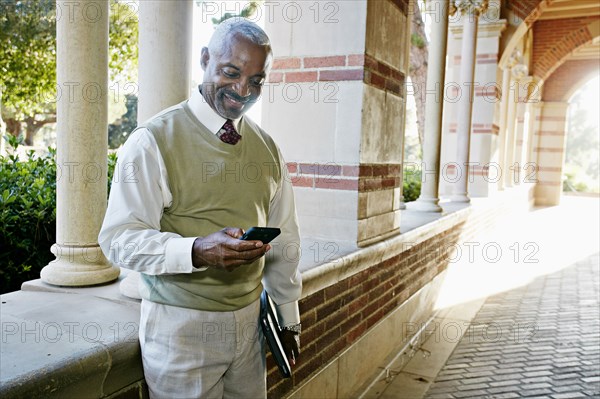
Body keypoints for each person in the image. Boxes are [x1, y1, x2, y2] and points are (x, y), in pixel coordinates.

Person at [99, 18, 302, 399]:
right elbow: (118, 241)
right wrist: (195, 250)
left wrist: (288, 318)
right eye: (231, 72)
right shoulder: (152, 141)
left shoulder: (268, 148)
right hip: (180, 330)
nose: (243, 90)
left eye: (256, 80)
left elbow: (285, 235)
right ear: (205, 59)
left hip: (250, 327)